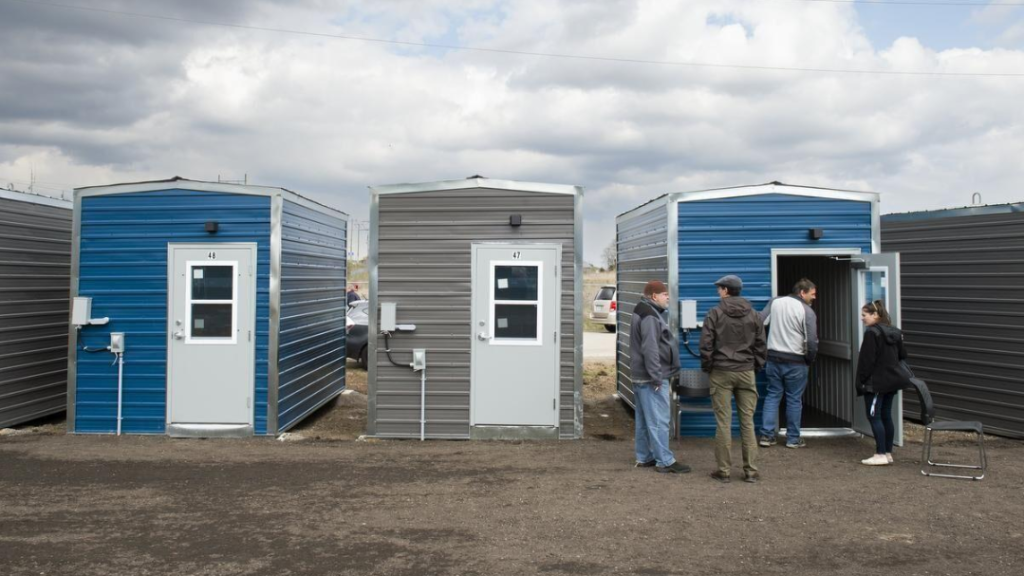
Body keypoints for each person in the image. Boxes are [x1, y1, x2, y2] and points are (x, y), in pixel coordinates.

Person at [699, 275, 767, 484]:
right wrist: (755, 366)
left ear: (726, 291)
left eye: (719, 288)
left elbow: (706, 344)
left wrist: (709, 367)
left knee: (723, 423)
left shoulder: (715, 313)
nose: (718, 292)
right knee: (747, 423)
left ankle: (724, 471)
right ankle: (751, 472)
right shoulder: (754, 315)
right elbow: (761, 345)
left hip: (721, 372)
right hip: (746, 372)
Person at [630, 280, 690, 474]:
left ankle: (643, 456)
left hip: (641, 376)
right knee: (659, 420)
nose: (668, 298)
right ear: (654, 296)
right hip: (651, 378)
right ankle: (664, 460)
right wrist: (656, 378)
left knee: (643, 420)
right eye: (665, 295)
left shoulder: (643, 310)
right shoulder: (649, 315)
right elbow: (650, 349)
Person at [757, 278, 818, 449]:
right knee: (793, 399)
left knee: (772, 395)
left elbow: (760, 322)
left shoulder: (775, 302)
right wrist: (809, 359)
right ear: (802, 292)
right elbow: (812, 341)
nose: (814, 298)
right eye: (812, 294)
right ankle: (792, 439)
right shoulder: (807, 311)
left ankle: (767, 437)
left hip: (773, 358)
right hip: (796, 361)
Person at [856, 299, 907, 466]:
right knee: (886, 415)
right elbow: (902, 355)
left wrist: (862, 381)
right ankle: (888, 452)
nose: (862, 318)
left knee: (874, 416)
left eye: (864, 315)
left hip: (876, 383)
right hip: (891, 381)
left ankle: (880, 454)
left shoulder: (872, 333)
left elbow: (866, 361)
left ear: (875, 315)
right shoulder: (895, 332)